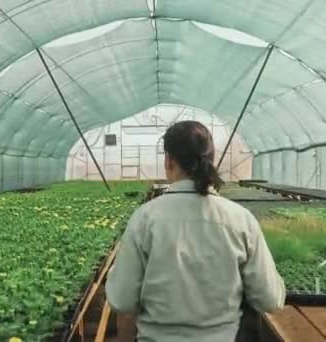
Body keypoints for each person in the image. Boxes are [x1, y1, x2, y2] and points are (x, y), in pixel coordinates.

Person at [105, 121, 285, 342]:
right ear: (212, 159)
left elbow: (122, 299)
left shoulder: (145, 218)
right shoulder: (241, 219)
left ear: (168, 160)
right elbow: (270, 300)